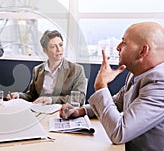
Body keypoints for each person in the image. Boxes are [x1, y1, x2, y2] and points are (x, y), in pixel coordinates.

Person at [59, 22, 164, 151]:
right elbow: (118, 101)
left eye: (124, 43)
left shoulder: (160, 84)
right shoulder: (137, 74)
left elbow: (119, 133)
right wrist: (81, 111)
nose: (118, 47)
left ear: (142, 51)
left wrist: (101, 86)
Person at [8, 30, 87, 105]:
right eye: (53, 47)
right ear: (45, 50)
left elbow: (79, 98)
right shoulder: (37, 70)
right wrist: (18, 96)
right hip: (39, 111)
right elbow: (32, 95)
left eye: (61, 45)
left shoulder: (76, 70)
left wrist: (51, 100)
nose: (59, 49)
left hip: (62, 113)